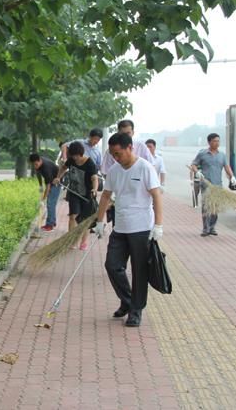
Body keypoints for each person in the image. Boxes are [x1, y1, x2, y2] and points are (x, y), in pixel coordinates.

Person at [95, 132, 163, 328]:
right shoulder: (114, 171)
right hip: (120, 227)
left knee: (140, 271)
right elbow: (105, 196)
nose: (116, 158)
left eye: (118, 153)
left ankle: (136, 310)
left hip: (141, 228)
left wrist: (158, 225)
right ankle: (127, 301)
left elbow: (156, 196)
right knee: (112, 265)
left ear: (130, 148)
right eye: (113, 155)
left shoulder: (145, 168)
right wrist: (99, 221)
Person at [53, 141, 99, 250]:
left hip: (87, 195)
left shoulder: (90, 163)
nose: (75, 158)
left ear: (81, 153)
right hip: (74, 192)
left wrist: (95, 189)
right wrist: (58, 177)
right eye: (73, 156)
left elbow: (94, 178)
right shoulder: (71, 160)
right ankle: (71, 241)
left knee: (85, 219)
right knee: (73, 216)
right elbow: (63, 168)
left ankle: (84, 242)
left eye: (77, 156)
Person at [191, 133, 236, 237]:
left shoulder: (222, 155)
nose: (217, 143)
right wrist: (197, 172)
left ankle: (212, 227)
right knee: (206, 207)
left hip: (217, 185)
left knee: (215, 208)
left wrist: (232, 176)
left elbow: (227, 167)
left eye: (218, 141)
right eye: (215, 141)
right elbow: (193, 164)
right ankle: (205, 228)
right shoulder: (202, 154)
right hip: (206, 185)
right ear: (209, 142)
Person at [29, 153, 60, 231]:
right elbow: (38, 173)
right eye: (33, 165)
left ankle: (49, 225)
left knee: (50, 204)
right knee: (50, 204)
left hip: (56, 183)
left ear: (40, 160)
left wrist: (43, 200)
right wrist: (40, 185)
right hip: (51, 181)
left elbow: (48, 187)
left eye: (36, 164)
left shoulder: (46, 168)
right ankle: (52, 222)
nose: (35, 166)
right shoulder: (38, 162)